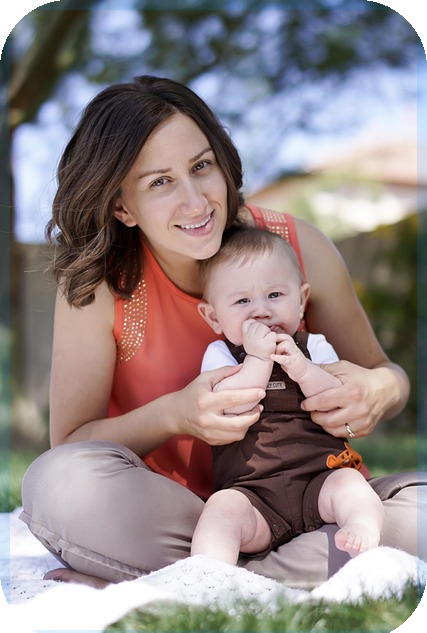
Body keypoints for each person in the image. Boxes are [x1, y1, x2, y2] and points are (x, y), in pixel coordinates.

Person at [19, 75, 425, 590]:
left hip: (320, 500)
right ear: (122, 207)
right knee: (58, 483)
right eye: (159, 182)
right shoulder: (100, 283)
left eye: (200, 166)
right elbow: (71, 443)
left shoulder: (296, 246)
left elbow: (386, 374)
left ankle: (198, 580)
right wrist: (175, 414)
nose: (196, 202)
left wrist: (378, 389)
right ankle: (250, 570)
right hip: (180, 516)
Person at [191, 227, 384, 564]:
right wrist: (257, 359)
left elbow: (336, 397)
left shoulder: (314, 346)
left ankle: (363, 533)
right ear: (213, 317)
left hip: (320, 479)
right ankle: (209, 574)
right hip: (253, 493)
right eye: (242, 301)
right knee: (221, 509)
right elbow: (231, 405)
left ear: (302, 300)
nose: (261, 311)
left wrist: (305, 370)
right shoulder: (220, 355)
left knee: (351, 485)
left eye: (275, 295)